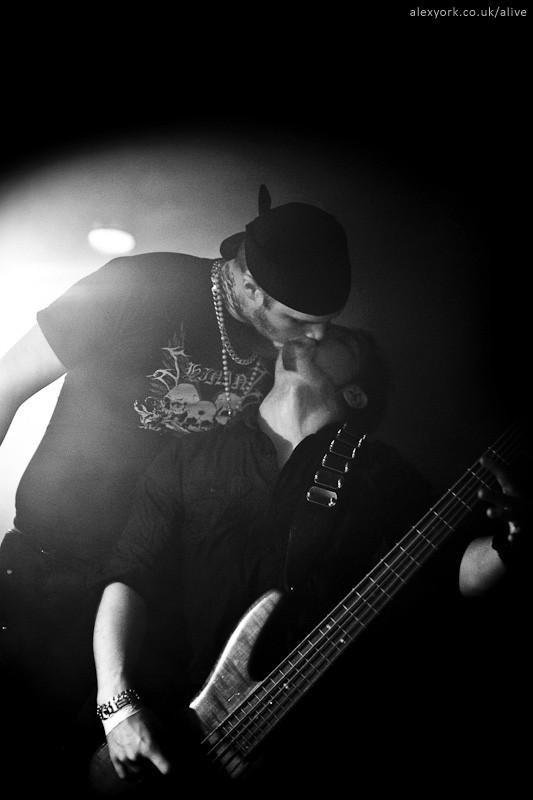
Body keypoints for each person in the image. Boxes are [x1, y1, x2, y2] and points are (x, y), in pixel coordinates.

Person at [87, 327, 529, 797]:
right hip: (168, 737)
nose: (315, 333)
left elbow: (453, 572)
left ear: (355, 393)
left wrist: (515, 540)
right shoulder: (190, 454)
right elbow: (130, 575)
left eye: (341, 340)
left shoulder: (382, 473)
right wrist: (117, 709)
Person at [0, 186, 352, 729]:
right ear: (250, 287)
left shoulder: (292, 353)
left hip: (161, 595)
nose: (316, 334)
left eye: (326, 320)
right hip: (53, 567)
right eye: (299, 319)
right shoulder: (139, 286)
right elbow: (6, 386)